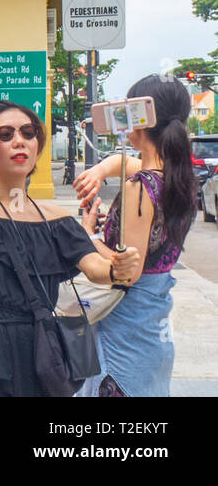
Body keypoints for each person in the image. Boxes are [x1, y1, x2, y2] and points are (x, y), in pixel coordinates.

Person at [0, 100, 139, 396]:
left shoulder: (54, 218)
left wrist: (118, 269)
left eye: (28, 133)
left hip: (40, 353)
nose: (19, 141)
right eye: (5, 134)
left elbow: (95, 269)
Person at [72, 74, 195, 396]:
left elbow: (126, 271)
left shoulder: (140, 187)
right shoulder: (177, 177)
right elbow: (123, 162)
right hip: (151, 332)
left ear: (142, 118)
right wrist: (99, 170)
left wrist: (88, 236)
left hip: (123, 335)